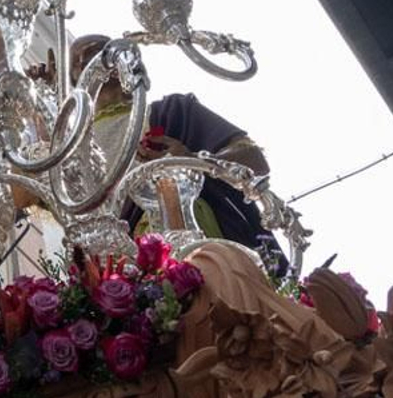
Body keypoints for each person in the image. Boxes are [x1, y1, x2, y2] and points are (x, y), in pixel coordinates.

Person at [68, 34, 285, 269]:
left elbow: (255, 161)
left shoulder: (174, 111)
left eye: (94, 51)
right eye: (75, 62)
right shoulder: (71, 149)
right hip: (122, 267)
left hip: (191, 238)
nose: (84, 62)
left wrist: (190, 161)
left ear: (122, 60)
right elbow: (29, 197)